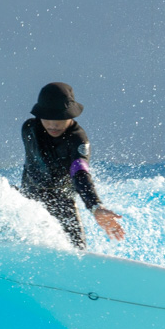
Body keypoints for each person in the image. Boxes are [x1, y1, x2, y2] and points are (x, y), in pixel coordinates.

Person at [19, 82, 125, 249]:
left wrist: (95, 206)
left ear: (71, 115)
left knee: (77, 250)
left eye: (59, 118)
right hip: (27, 196)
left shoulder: (78, 140)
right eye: (47, 117)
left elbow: (80, 174)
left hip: (61, 200)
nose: (53, 125)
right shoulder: (29, 129)